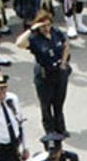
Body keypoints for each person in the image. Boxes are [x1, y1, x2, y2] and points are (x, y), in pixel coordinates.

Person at [16, 8, 71, 137]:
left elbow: (66, 45)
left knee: (59, 103)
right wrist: (31, 29)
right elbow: (19, 43)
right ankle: (50, 131)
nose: (46, 28)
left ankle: (60, 128)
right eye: (43, 26)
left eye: (48, 24)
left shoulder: (56, 32)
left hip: (59, 72)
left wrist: (63, 62)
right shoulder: (35, 39)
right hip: (44, 75)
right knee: (46, 105)